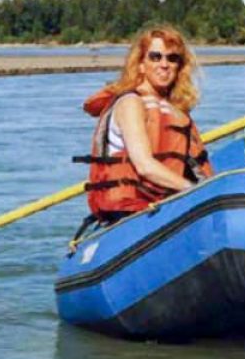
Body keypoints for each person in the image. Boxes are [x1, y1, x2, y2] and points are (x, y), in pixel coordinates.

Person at [74, 25, 213, 223]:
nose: (164, 64)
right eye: (155, 57)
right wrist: (197, 191)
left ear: (179, 66)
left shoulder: (174, 110)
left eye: (172, 58)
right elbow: (145, 166)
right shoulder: (131, 102)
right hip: (129, 212)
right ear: (140, 64)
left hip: (160, 205)